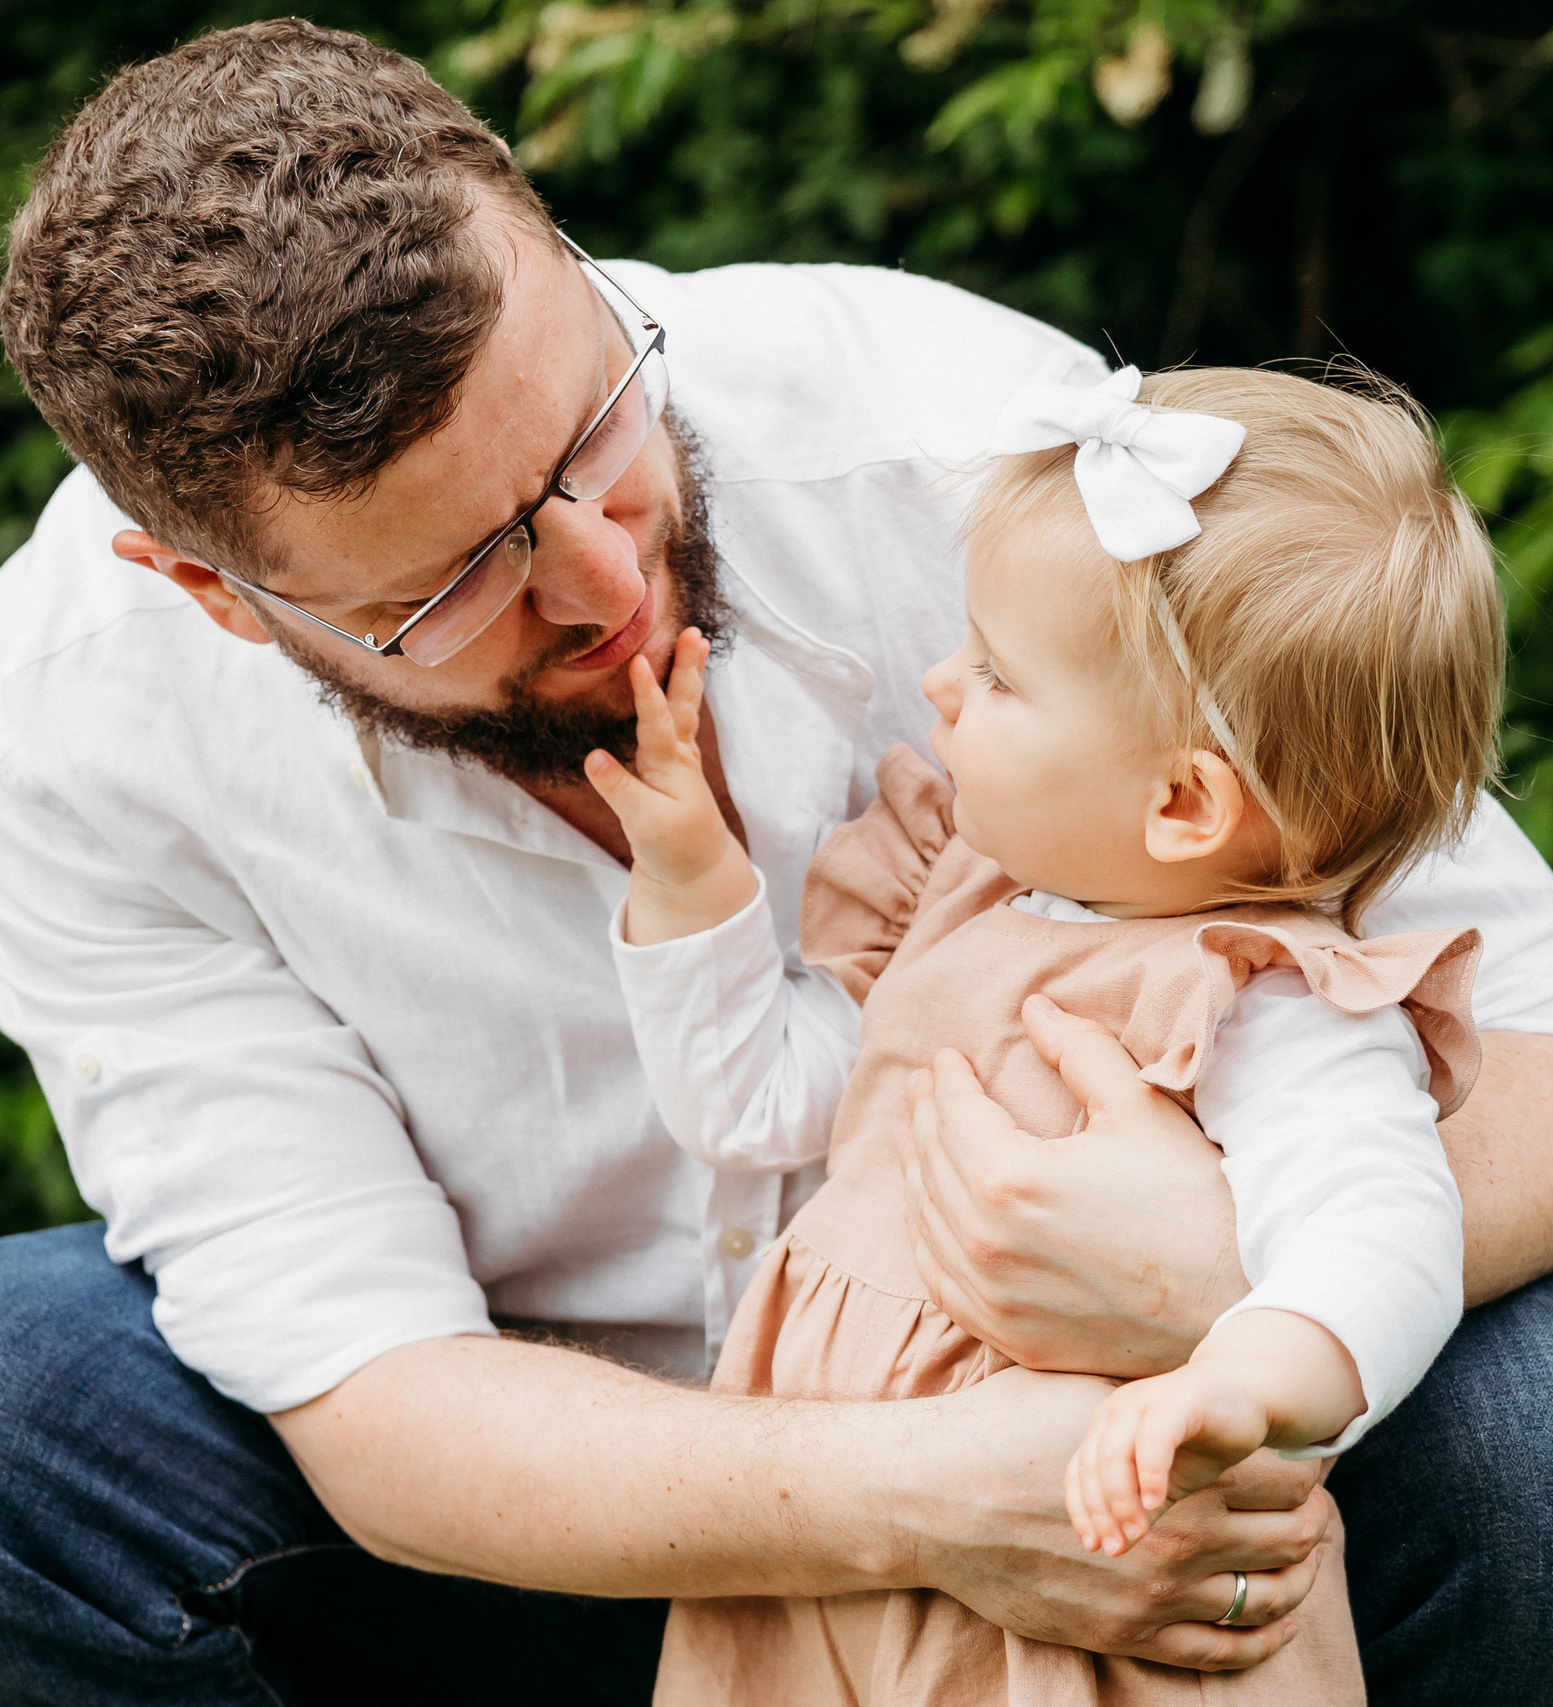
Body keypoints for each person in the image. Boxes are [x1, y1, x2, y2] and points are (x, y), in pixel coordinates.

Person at [0, 19, 1553, 1707]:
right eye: (459, 584)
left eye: (592, 436)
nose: (607, 581)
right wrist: (922, 1494)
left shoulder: (985, 465)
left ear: (560, 247)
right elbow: (373, 1389)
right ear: (208, 588)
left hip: (1144, 1483)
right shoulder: (78, 719)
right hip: (537, 1525)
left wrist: (1235, 1286)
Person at [590, 362, 1497, 1705]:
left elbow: (1384, 1223)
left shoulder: (1260, 997)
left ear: (1183, 805)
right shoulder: (959, 901)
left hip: (1080, 1583)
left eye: (997, 675)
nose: (941, 684)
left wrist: (1246, 1383)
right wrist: (687, 886)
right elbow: (756, 1108)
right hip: (835, 1553)